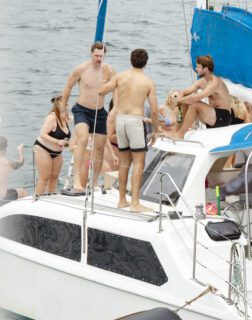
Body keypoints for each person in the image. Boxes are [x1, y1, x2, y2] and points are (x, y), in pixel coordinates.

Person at [99, 48, 159, 212]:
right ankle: (135, 203)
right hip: (135, 121)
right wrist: (156, 130)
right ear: (145, 62)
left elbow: (101, 91)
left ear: (130, 60)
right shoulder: (147, 82)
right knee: (139, 164)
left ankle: (121, 200)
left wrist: (105, 77)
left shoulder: (120, 77)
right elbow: (154, 110)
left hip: (120, 121)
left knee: (125, 163)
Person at [62, 42, 115, 193]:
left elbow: (117, 88)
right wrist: (64, 107)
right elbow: (68, 86)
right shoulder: (81, 69)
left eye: (102, 55)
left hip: (99, 112)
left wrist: (116, 108)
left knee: (99, 148)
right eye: (96, 55)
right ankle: (78, 181)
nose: (99, 58)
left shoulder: (109, 71)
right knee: (83, 139)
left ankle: (95, 182)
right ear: (91, 54)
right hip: (81, 110)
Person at [172, 55, 232, 138]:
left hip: (223, 117)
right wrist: (179, 100)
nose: (196, 69)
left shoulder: (215, 83)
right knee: (183, 104)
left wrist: (178, 100)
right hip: (211, 116)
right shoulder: (202, 81)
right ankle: (176, 131)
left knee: (194, 104)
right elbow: (184, 92)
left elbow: (195, 98)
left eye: (198, 67)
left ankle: (180, 134)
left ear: (205, 69)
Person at [33, 95, 71, 195]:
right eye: (65, 103)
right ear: (58, 105)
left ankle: (51, 198)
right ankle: (36, 200)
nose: (67, 105)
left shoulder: (66, 117)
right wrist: (57, 141)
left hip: (57, 152)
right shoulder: (52, 117)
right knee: (44, 178)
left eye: (67, 103)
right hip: (43, 149)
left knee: (54, 178)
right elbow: (42, 134)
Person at [0, 137, 26, 202]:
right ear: (4, 149)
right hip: (2, 196)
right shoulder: (7, 164)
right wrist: (20, 151)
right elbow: (21, 162)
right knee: (22, 192)